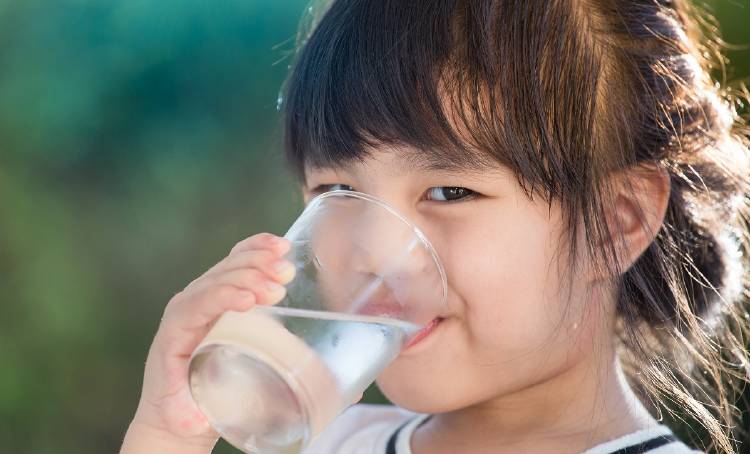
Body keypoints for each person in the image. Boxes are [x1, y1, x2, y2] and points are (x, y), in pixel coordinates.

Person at [120, 0, 750, 453]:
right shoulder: (337, 442)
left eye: (451, 191)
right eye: (339, 190)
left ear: (619, 222)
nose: (376, 250)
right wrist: (168, 435)